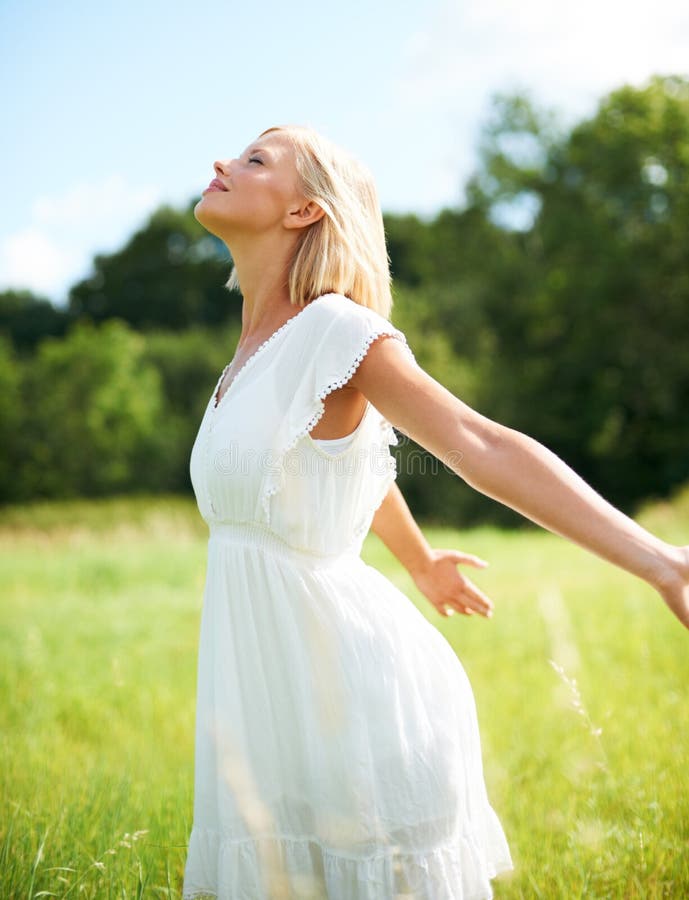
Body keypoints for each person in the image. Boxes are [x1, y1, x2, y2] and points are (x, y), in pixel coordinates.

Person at [182, 124, 689, 900]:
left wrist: (663, 563)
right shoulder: (247, 357)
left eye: (254, 160)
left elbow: (478, 444)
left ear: (304, 212)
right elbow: (340, 463)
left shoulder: (338, 331)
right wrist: (419, 562)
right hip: (267, 697)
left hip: (355, 701)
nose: (222, 162)